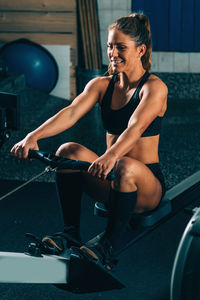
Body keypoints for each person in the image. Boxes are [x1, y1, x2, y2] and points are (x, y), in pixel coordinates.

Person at [11, 12, 168, 269]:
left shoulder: (154, 87)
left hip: (144, 187)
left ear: (140, 50)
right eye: (109, 46)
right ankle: (70, 233)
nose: (113, 53)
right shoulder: (101, 85)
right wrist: (32, 137)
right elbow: (70, 113)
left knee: (125, 166)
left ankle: (108, 246)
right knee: (67, 150)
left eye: (121, 47)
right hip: (111, 175)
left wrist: (111, 155)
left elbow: (135, 127)